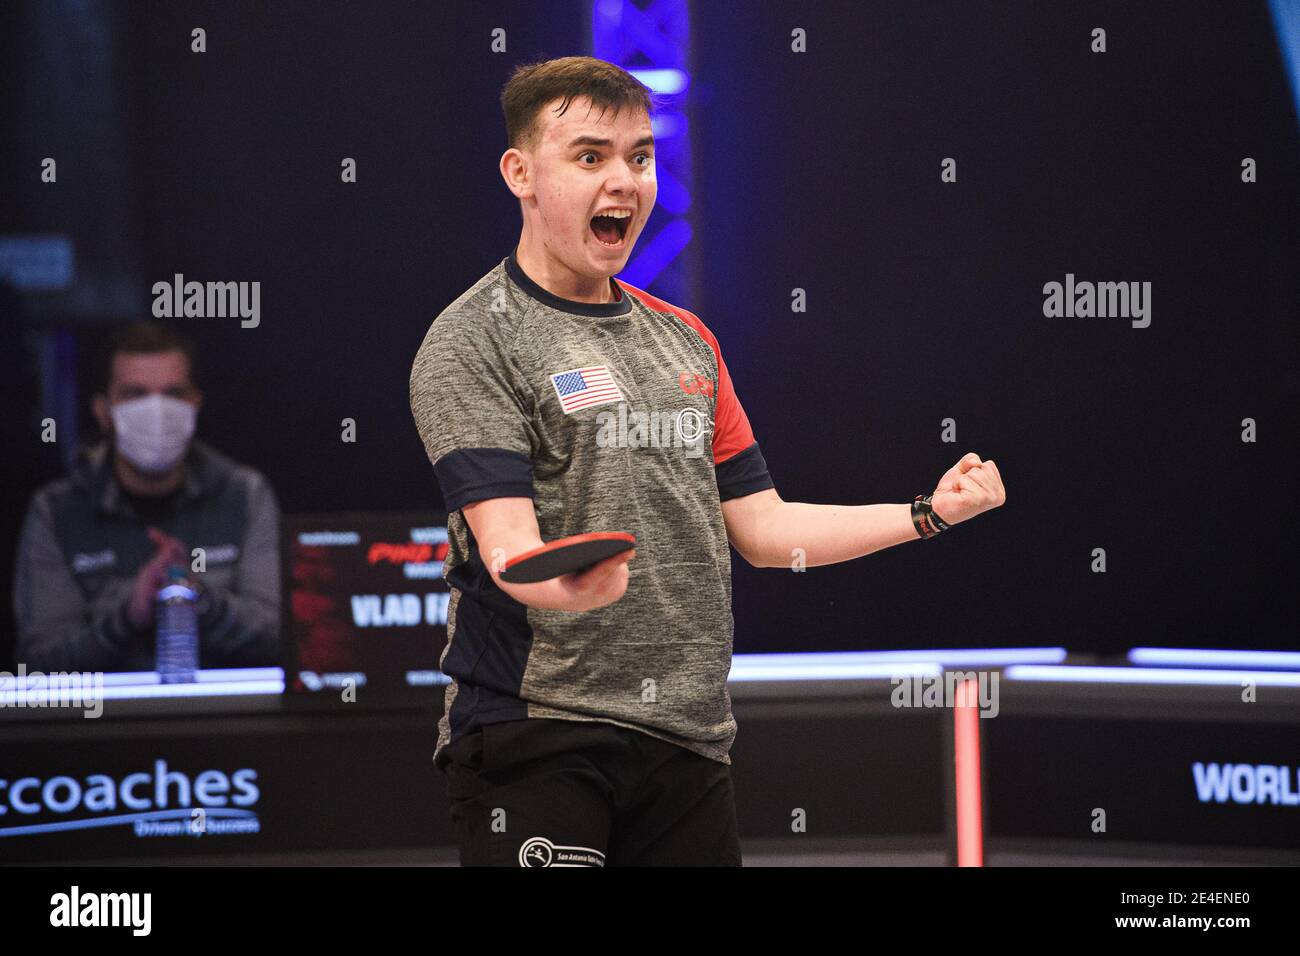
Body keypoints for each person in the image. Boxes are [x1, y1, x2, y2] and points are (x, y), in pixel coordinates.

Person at [409, 56, 1006, 867]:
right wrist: (567, 580)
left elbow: (764, 529)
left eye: (640, 157)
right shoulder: (474, 338)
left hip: (688, 741)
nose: (624, 180)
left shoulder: (687, 341)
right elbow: (507, 546)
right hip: (537, 732)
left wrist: (929, 513)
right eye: (591, 157)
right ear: (520, 172)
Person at [13, 320, 281, 673]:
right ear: (103, 410)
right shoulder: (56, 511)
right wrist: (127, 616)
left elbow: (282, 641)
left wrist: (196, 597)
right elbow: (37, 664)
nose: (156, 410)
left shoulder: (245, 495)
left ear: (195, 404)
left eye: (172, 394)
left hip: (225, 720)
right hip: (99, 725)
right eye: (135, 394)